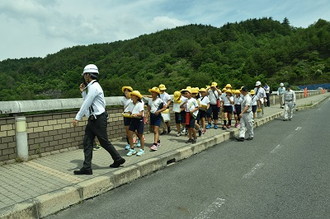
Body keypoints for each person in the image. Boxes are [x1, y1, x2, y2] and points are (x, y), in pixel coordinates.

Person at [72, 64, 125, 175]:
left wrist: (77, 117)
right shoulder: (92, 87)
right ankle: (87, 167)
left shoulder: (94, 87)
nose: (84, 77)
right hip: (93, 119)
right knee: (87, 142)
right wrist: (82, 92)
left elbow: (87, 103)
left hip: (98, 119)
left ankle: (117, 159)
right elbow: (88, 100)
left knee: (104, 142)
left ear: (87, 75)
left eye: (85, 75)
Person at [146, 87, 167, 151]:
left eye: (153, 92)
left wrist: (158, 111)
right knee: (153, 129)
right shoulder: (150, 100)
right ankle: (158, 141)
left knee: (155, 130)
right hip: (152, 115)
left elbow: (165, 107)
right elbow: (149, 109)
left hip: (157, 116)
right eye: (151, 92)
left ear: (157, 93)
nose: (152, 94)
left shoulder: (160, 100)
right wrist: (147, 117)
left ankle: (155, 144)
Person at [126, 90, 145, 156]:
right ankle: (132, 149)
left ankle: (142, 149)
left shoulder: (140, 104)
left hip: (139, 120)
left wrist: (136, 115)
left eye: (133, 95)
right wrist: (128, 114)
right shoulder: (131, 103)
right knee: (129, 134)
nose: (131, 96)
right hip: (133, 120)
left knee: (140, 135)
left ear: (137, 97)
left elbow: (141, 113)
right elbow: (129, 111)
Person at [121, 86, 134, 150]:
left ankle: (139, 140)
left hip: (132, 116)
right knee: (127, 131)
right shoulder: (123, 99)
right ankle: (129, 143)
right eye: (125, 91)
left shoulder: (133, 99)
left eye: (127, 91)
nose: (126, 93)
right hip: (126, 115)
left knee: (134, 130)